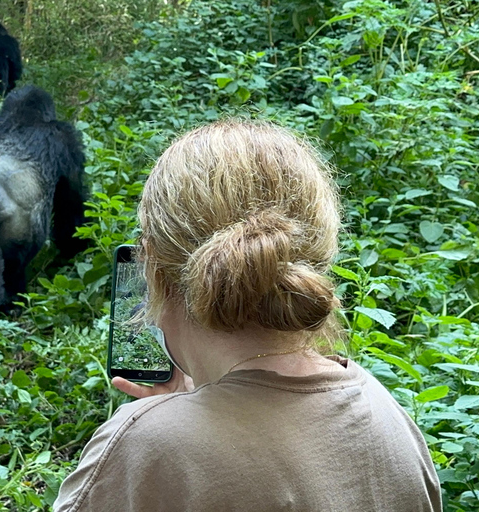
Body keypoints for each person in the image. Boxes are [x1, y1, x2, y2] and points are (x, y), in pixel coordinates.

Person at [53, 120, 442, 511]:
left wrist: (170, 419)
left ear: (152, 268)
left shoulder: (143, 447)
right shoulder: (388, 417)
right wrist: (196, 401)